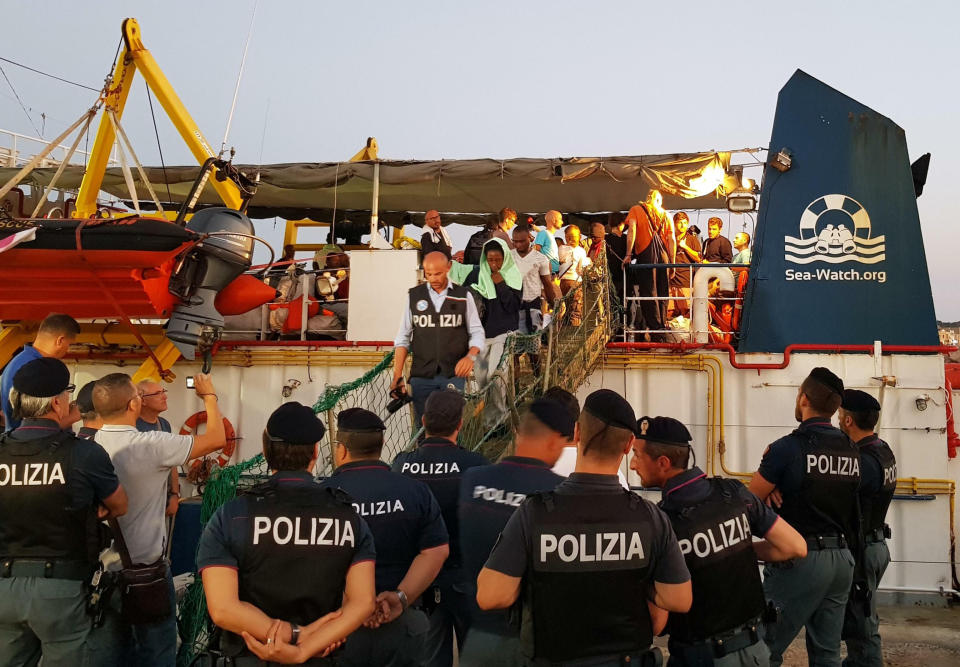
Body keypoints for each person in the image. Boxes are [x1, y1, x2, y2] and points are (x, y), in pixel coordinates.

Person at [477, 389, 692, 666]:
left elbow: (490, 596)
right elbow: (679, 599)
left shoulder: (534, 513)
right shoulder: (650, 517)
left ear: (577, 432)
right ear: (628, 446)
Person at [198, 402, 376, 665]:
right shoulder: (349, 518)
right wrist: (305, 647)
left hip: (250, 655)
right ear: (315, 452)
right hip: (321, 656)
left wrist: (290, 636)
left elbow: (224, 609)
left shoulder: (232, 515)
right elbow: (363, 602)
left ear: (265, 450)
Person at [630, 415, 807, 667]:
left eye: (637, 455)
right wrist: (739, 548)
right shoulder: (733, 492)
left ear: (663, 462)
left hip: (702, 657)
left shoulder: (661, 524)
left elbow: (657, 623)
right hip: (756, 651)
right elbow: (795, 546)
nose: (633, 464)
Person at [0, 357, 128, 667]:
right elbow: (119, 505)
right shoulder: (83, 452)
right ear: (57, 403)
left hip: (4, 586)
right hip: (63, 590)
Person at [93, 372, 227, 665]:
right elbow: (217, 438)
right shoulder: (152, 444)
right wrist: (209, 397)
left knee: (110, 655)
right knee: (157, 654)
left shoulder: (88, 446)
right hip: (146, 574)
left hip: (98, 576)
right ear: (133, 405)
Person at [748, 367, 862, 667]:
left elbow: (749, 501)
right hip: (841, 561)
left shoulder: (787, 449)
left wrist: (772, 488)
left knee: (760, 650)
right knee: (827, 654)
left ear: (803, 399)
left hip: (800, 561)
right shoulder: (851, 450)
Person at [321, 407, 449, 667]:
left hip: (337, 628)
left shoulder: (322, 496)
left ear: (342, 449)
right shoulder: (415, 491)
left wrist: (356, 606)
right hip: (403, 623)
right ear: (381, 446)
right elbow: (436, 551)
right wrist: (401, 598)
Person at [457, 398, 568, 666]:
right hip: (537, 643)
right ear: (554, 440)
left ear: (520, 434)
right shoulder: (561, 494)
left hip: (480, 639)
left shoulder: (473, 480)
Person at [392, 390, 489, 667]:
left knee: (430, 658)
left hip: (417, 581)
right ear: (460, 424)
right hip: (465, 577)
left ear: (424, 420)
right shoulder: (476, 466)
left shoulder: (402, 465)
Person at [391, 251, 485, 428]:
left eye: (438, 273)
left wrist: (471, 356)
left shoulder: (463, 295)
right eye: (428, 274)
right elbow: (403, 337)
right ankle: (424, 456)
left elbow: (477, 331)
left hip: (453, 374)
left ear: (448, 267)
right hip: (421, 376)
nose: (433, 278)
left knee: (452, 424)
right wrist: (397, 375)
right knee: (422, 427)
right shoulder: (414, 296)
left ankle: (453, 455)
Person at [838, 390, 896, 667]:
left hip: (863, 550)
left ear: (848, 420)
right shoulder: (883, 450)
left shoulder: (862, 461)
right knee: (861, 618)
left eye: (840, 415)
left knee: (862, 626)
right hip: (876, 545)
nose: (837, 419)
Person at [465, 240, 523, 429]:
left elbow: (514, 306)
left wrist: (500, 284)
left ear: (505, 258)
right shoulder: (476, 274)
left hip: (504, 333)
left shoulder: (513, 275)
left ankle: (496, 422)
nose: (494, 264)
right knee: (482, 381)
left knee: (495, 377)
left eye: (498, 260)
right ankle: (492, 420)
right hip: (481, 335)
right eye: (490, 260)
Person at [1, 313, 80, 431]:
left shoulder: (23, 362)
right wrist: (74, 416)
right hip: (31, 447)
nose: (67, 350)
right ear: (60, 340)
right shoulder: (34, 370)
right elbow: (34, 429)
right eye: (69, 345)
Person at [623, 191, 674, 340]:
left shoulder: (636, 210)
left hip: (646, 255)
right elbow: (671, 240)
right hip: (664, 256)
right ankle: (661, 328)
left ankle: (655, 328)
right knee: (663, 290)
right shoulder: (667, 215)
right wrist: (672, 263)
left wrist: (628, 254)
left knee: (649, 291)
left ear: (648, 198)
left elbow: (632, 230)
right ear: (658, 200)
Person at [136, 380, 181, 518]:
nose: (164, 396)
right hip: (140, 503)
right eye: (157, 393)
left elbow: (172, 461)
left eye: (163, 392)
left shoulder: (164, 425)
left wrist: (174, 494)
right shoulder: (132, 427)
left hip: (163, 501)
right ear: (142, 401)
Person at [511, 224, 560, 335]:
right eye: (515, 241)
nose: (518, 245)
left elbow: (547, 283)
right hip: (513, 305)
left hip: (534, 304)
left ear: (530, 238)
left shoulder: (541, 258)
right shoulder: (508, 257)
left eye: (522, 241)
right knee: (516, 341)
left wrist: (553, 303)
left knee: (534, 340)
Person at [670, 212, 701, 318]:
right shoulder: (669, 238)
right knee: (670, 312)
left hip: (685, 281)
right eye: (679, 223)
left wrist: (685, 247)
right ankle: (671, 334)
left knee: (686, 312)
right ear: (674, 223)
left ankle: (686, 335)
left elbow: (698, 258)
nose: (682, 225)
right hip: (670, 280)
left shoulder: (692, 239)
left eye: (685, 222)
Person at [559, 225, 591, 326]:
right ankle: (574, 332)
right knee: (575, 310)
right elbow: (580, 269)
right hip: (575, 281)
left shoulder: (560, 249)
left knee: (560, 309)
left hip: (561, 282)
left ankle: (558, 333)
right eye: (571, 236)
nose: (571, 239)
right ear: (580, 237)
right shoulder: (581, 251)